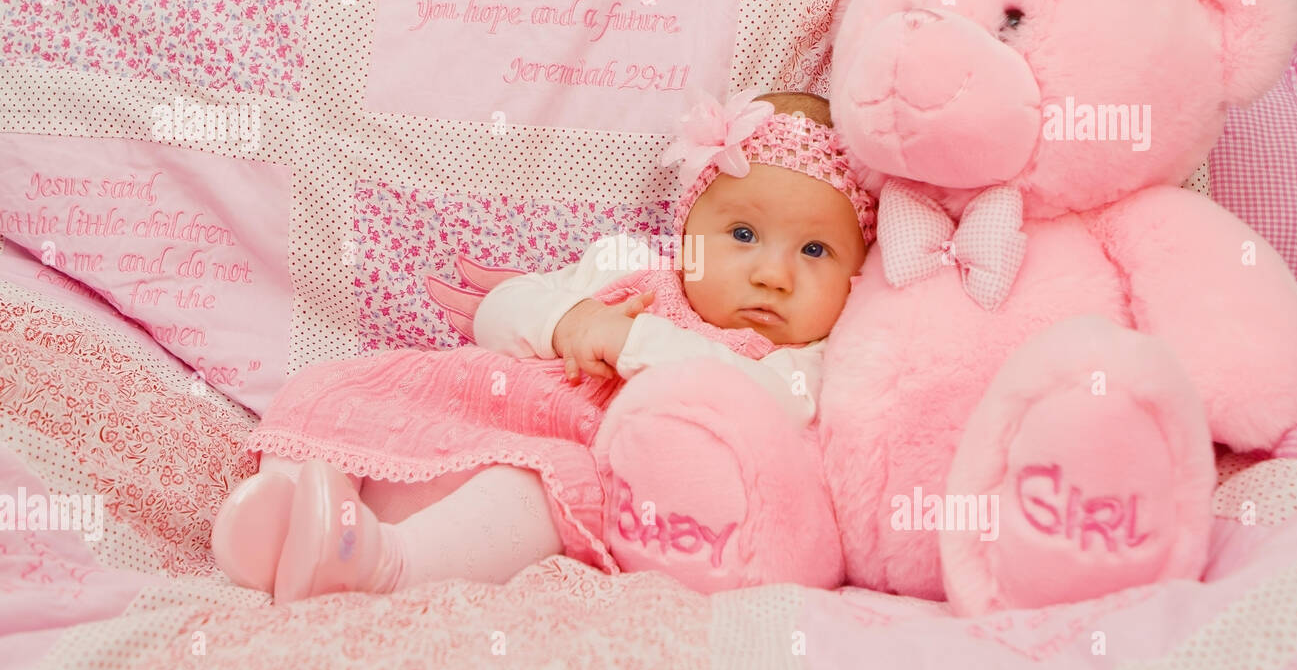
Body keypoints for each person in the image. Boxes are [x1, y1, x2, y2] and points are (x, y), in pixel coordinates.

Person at [212, 88, 877, 602]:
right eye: (741, 235)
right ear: (687, 230)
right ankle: (292, 515)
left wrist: (634, 341)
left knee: (535, 489)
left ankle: (384, 565)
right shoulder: (624, 269)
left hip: (560, 467)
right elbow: (497, 311)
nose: (772, 274)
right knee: (334, 389)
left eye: (815, 250)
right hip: (462, 419)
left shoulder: (803, 365)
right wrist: (568, 322)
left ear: (856, 274)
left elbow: (757, 411)